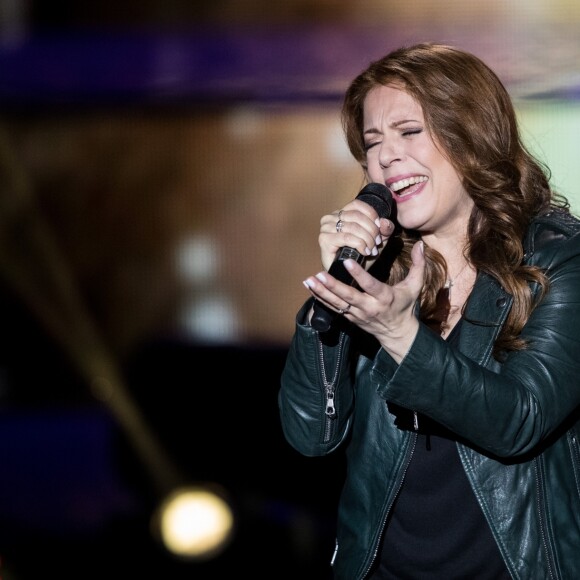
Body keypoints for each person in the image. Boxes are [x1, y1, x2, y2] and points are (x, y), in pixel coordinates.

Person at [278, 42, 580, 579]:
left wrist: (399, 334)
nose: (386, 156)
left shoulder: (557, 258)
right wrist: (336, 288)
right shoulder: (382, 273)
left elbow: (520, 420)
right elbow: (311, 434)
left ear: (473, 135)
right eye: (373, 143)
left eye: (409, 132)